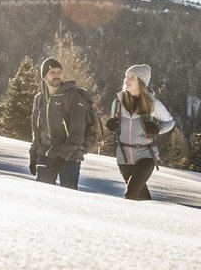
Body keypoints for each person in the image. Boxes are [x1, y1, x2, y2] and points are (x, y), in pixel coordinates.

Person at [106, 63, 176, 201]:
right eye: (126, 76)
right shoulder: (117, 103)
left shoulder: (152, 104)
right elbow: (117, 125)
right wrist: (113, 126)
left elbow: (170, 122)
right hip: (124, 157)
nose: (127, 79)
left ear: (141, 82)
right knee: (140, 197)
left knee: (131, 193)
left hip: (146, 155)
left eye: (132, 77)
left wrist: (157, 129)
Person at [29, 56, 94, 189]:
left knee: (67, 200)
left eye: (59, 72)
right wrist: (33, 155)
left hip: (70, 157)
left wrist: (63, 156)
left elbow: (77, 132)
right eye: (52, 72)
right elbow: (37, 130)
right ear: (44, 77)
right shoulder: (39, 99)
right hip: (46, 154)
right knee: (42, 196)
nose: (56, 75)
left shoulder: (73, 97)